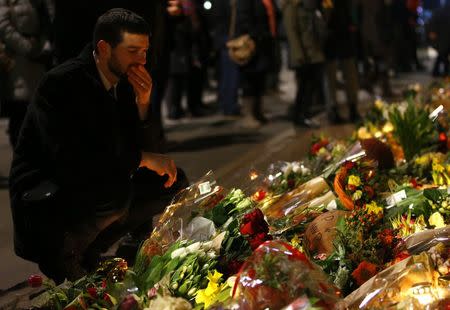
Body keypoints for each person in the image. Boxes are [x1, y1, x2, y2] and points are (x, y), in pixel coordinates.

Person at [9, 8, 188, 282]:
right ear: (104, 48)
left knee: (170, 181)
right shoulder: (63, 82)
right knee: (114, 193)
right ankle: (62, 256)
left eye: (145, 51)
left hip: (94, 183)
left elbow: (146, 150)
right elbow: (73, 160)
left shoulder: (126, 83)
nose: (142, 60)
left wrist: (143, 105)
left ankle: (93, 249)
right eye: (132, 51)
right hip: (47, 198)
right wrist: (140, 157)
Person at [0, 0, 53, 147]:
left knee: (36, 115)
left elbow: (47, 22)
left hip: (38, 61)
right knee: (19, 113)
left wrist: (44, 47)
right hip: (16, 62)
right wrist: (27, 48)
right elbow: (4, 26)